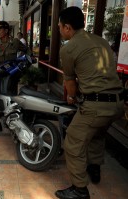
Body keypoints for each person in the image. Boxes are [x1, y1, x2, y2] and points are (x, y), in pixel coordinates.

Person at [55, 7, 124, 199]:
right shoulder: (101, 41)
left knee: (72, 143)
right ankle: (94, 169)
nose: (60, 30)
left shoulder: (68, 48)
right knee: (97, 134)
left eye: (60, 27)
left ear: (68, 27)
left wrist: (71, 97)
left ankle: (79, 190)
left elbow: (69, 81)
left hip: (96, 106)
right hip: (118, 104)